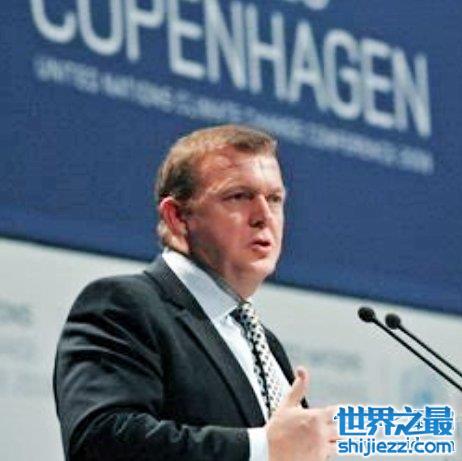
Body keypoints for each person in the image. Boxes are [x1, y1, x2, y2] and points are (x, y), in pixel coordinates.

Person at [54, 124, 338, 461]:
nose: (264, 216)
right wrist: (261, 448)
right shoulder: (122, 305)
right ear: (177, 217)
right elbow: (100, 442)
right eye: (239, 196)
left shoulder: (264, 342)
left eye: (274, 199)